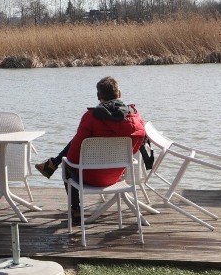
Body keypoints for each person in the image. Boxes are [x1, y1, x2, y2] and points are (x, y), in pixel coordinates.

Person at [36, 77, 146, 221]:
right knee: (78, 142)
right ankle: (51, 164)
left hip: (89, 178)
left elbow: (73, 157)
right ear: (119, 94)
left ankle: (75, 209)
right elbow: (135, 148)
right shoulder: (135, 119)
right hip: (116, 176)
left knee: (67, 163)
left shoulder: (91, 118)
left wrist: (66, 161)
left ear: (98, 96)